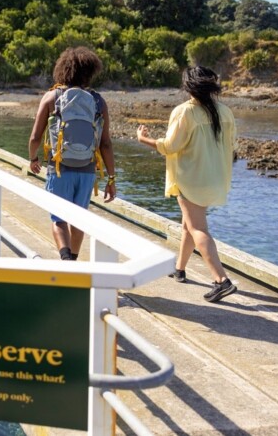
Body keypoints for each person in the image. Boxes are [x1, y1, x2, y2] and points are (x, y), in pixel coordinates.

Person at [136, 66, 238, 303]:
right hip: (215, 178)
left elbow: (170, 146)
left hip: (191, 178)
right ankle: (179, 269)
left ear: (188, 86)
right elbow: (233, 146)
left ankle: (221, 280)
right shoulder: (225, 111)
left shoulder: (185, 112)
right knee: (188, 224)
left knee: (197, 228)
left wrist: (143, 139)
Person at [28, 47, 116, 261]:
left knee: (58, 219)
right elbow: (105, 144)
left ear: (62, 70)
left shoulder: (52, 97)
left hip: (59, 169)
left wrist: (33, 158)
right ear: (90, 72)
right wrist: (111, 179)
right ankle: (73, 260)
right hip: (87, 171)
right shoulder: (98, 101)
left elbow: (35, 137)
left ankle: (66, 260)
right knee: (79, 219)